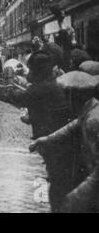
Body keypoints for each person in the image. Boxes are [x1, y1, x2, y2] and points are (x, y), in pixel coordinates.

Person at [0, 51, 77, 213]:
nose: (29, 73)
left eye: (31, 70)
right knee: (59, 183)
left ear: (37, 72)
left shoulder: (41, 89)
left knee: (58, 187)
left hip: (52, 143)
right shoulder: (51, 84)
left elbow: (13, 95)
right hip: (57, 142)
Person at [30, 71, 99, 212]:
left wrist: (77, 197)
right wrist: (47, 140)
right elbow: (71, 128)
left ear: (75, 96)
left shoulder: (93, 121)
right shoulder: (89, 111)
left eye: (67, 95)